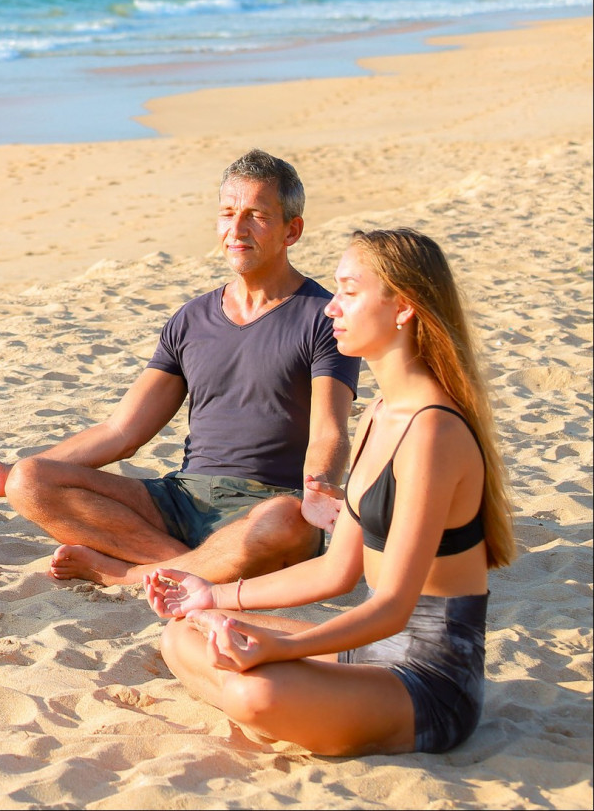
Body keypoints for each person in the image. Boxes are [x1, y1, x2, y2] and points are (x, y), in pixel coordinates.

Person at [146, 228, 515, 756]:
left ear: (403, 307)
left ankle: (282, 709)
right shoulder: (380, 415)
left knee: (256, 692)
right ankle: (299, 709)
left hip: (431, 682)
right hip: (372, 649)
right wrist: (212, 595)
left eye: (349, 291)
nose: (330, 307)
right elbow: (335, 572)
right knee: (184, 632)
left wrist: (281, 648)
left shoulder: (433, 431)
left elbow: (392, 607)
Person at [0, 150, 361, 586]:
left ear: (292, 230)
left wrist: (319, 486)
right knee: (30, 479)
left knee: (286, 520)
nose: (237, 229)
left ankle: (131, 574)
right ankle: (189, 569)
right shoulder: (192, 319)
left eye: (256, 216)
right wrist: (9, 476)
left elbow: (330, 431)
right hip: (181, 499)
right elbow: (121, 432)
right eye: (227, 213)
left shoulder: (324, 316)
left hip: (266, 505)